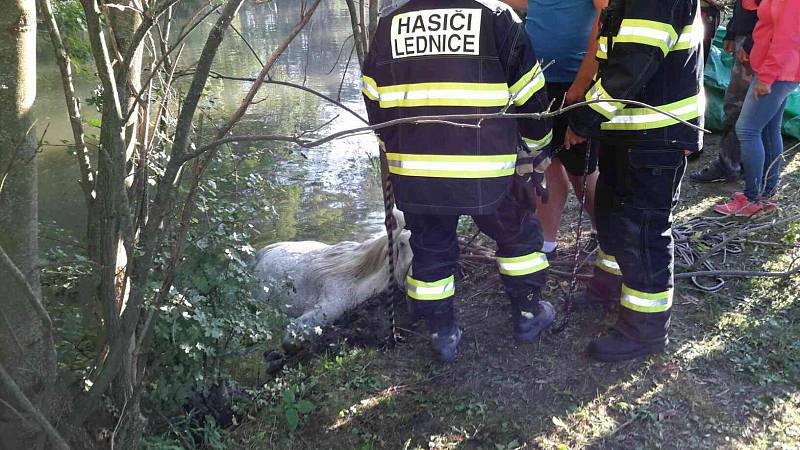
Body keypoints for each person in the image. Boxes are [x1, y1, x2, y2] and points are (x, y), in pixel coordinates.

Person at [362, 0, 555, 362]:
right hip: (487, 170)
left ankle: (442, 334)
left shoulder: (390, 23)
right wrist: (540, 146)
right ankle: (529, 316)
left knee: (431, 250)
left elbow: (373, 98)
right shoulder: (496, 16)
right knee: (516, 236)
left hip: (418, 170)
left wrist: (396, 145)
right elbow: (530, 95)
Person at [565, 0, 705, 362]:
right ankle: (608, 288)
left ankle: (644, 330)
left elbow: (631, 65)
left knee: (643, 230)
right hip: (628, 131)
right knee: (612, 212)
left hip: (656, 136)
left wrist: (584, 119)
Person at [502, 0, 606, 259]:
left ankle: (604, 232)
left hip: (574, 80)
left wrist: (582, 83)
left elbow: (607, 17)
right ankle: (546, 242)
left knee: (581, 169)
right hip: (535, 80)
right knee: (546, 161)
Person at [714, 0, 800, 217]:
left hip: (777, 72)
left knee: (747, 129)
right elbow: (753, 8)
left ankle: (752, 199)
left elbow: (786, 38)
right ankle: (766, 194)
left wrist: (766, 77)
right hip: (773, 68)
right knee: (770, 130)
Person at [691, 0, 758, 183]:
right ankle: (740, 164)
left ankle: (729, 165)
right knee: (738, 106)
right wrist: (732, 31)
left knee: (738, 106)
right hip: (746, 37)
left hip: (755, 43)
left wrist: (750, 43)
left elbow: (771, 13)